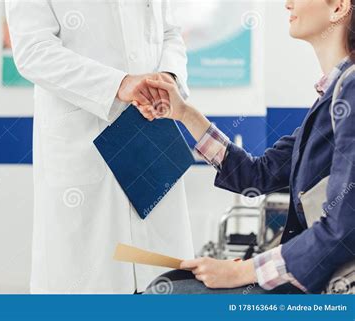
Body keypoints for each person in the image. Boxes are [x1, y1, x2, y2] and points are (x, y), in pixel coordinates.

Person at [139, 0, 355, 294]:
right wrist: (184, 113)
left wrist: (242, 271)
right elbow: (256, 174)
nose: (287, 3)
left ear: (338, 7)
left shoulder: (351, 91)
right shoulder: (333, 95)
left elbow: (344, 228)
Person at [5, 0, 194, 293]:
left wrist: (168, 76)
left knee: (164, 282)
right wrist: (118, 84)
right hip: (83, 141)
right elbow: (33, 50)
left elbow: (170, 32)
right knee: (89, 283)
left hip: (152, 134)